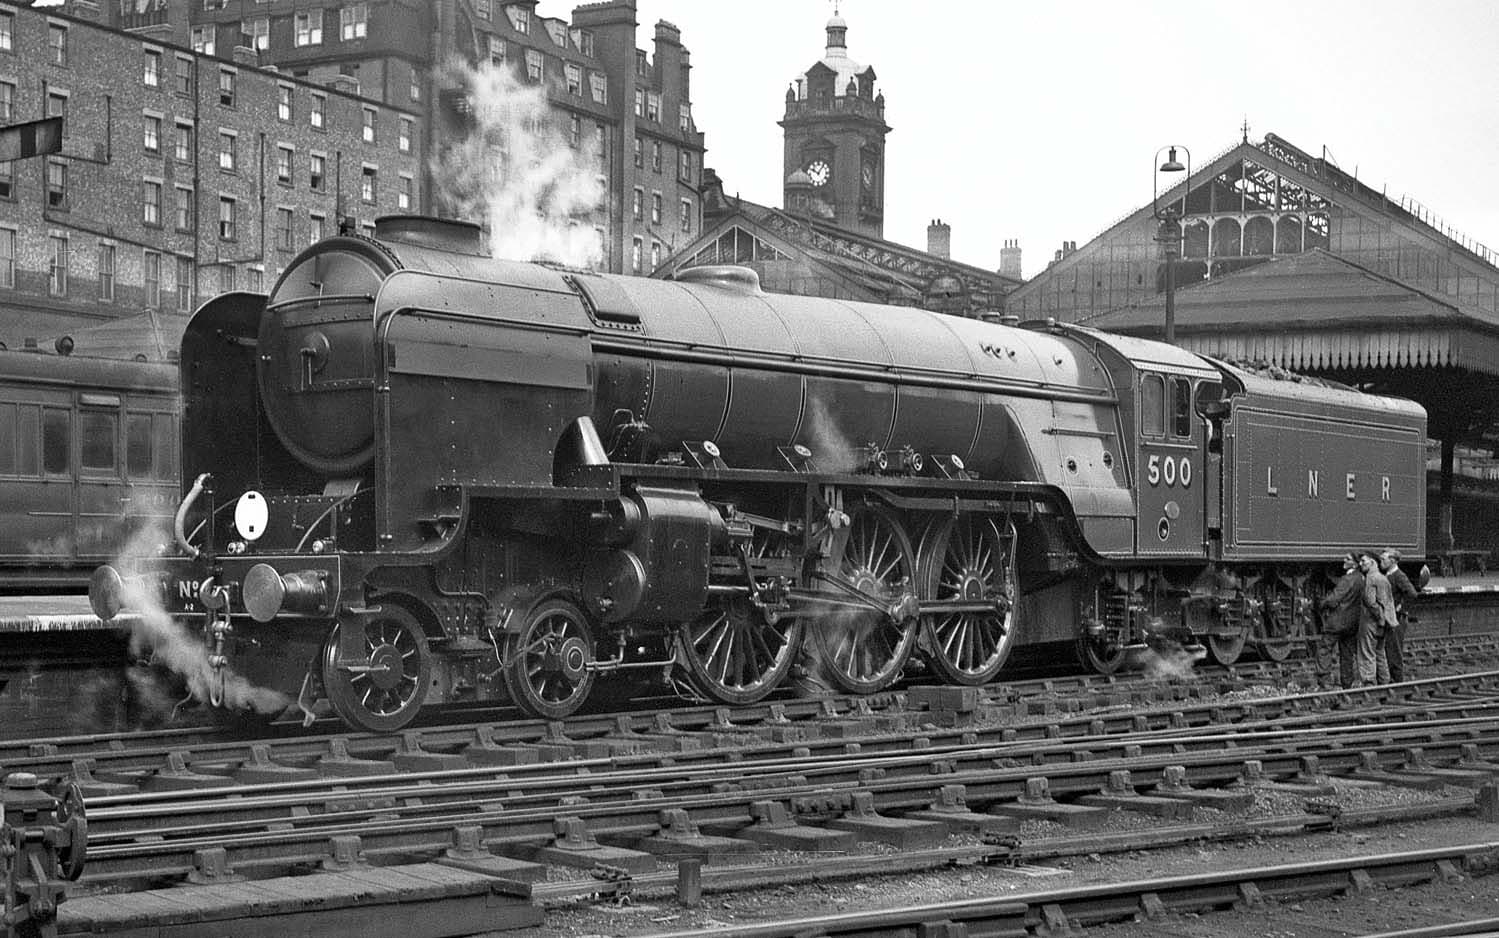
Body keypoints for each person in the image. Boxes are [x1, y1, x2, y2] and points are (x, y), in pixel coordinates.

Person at [1317, 553, 1363, 689]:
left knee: (1324, 648)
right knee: (1347, 653)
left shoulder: (1347, 579)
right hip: (1352, 622)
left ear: (1355, 564)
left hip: (1337, 621)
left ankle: (1325, 680)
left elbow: (1334, 599)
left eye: (1348, 559)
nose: (1344, 560)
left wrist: (1322, 603)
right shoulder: (1361, 579)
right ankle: (1347, 683)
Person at [1357, 551, 1397, 685]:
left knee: (1367, 652)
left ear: (1372, 562)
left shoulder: (1370, 578)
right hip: (1385, 622)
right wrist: (1384, 620)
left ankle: (1369, 682)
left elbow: (1370, 602)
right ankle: (1384, 681)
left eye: (1364, 561)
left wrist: (1379, 617)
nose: (1360, 564)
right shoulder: (1383, 578)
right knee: (1380, 652)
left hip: (1371, 621)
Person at [1381, 548, 1419, 682]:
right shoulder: (1388, 575)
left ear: (1392, 561)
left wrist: (1401, 608)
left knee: (1394, 650)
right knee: (1389, 649)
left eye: (1383, 559)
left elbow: (1412, 593)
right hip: (1389, 618)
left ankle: (1397, 680)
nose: (1381, 561)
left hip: (1396, 619)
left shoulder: (1399, 576)